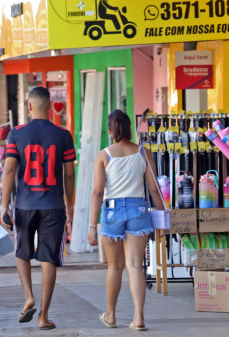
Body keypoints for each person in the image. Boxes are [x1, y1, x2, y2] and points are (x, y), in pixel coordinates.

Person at [0, 86, 76, 330]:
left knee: (22, 252)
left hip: (24, 204)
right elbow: (69, 173)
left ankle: (28, 296)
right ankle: (43, 316)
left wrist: (4, 206)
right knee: (48, 259)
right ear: (50, 105)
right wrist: (69, 204)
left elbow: (10, 169)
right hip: (54, 205)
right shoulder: (63, 135)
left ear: (30, 107)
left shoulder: (17, 133)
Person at [87, 110, 164, 331]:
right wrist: (162, 220)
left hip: (111, 212)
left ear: (110, 131)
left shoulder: (104, 156)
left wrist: (93, 226)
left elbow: (97, 192)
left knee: (114, 267)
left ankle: (110, 315)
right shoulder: (143, 153)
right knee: (135, 267)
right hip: (138, 209)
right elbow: (154, 189)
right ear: (129, 128)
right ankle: (138, 318)